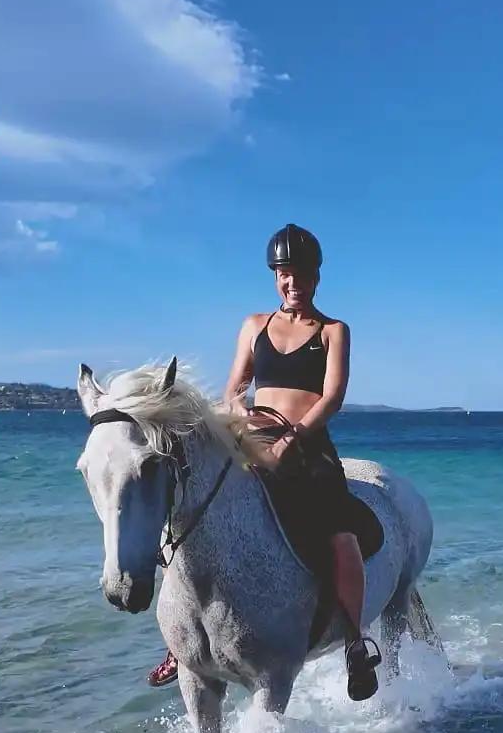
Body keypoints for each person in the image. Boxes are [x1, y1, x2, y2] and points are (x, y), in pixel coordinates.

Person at [145, 224, 384, 701]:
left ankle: (356, 641)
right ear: (277, 277)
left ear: (317, 277)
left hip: (309, 445)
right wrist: (240, 418)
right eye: (284, 274)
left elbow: (333, 396)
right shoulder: (254, 325)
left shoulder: (334, 331)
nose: (292, 283)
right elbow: (234, 389)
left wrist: (292, 437)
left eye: (301, 275)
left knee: (340, 532)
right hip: (254, 438)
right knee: (190, 514)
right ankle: (181, 638)